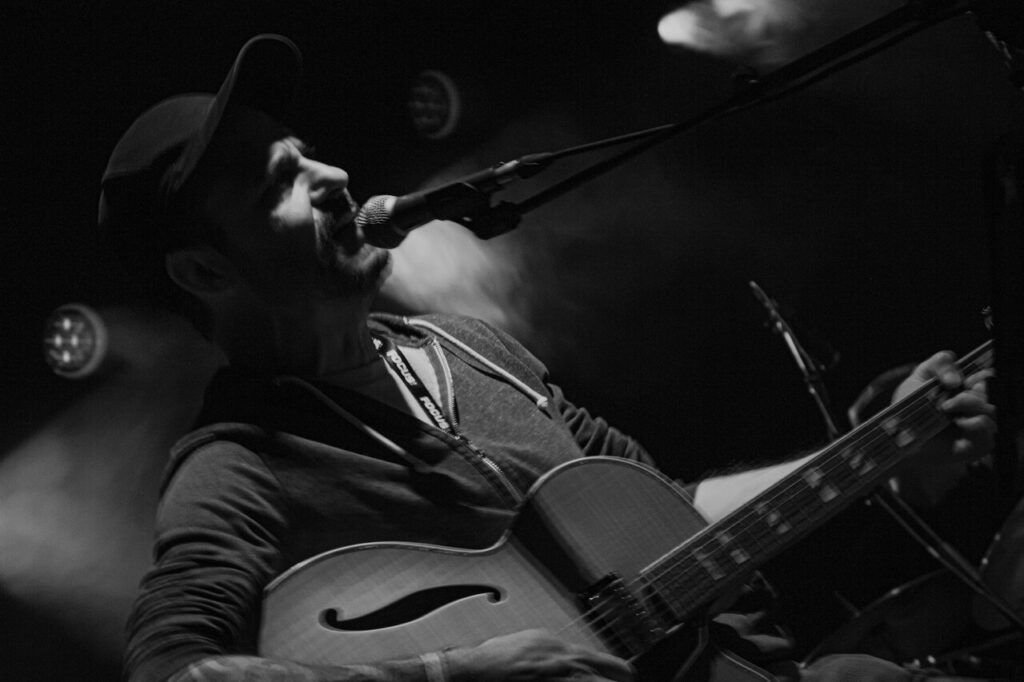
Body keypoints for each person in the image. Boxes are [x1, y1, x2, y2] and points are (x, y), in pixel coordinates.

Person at [105, 35, 996, 682]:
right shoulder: (237, 465)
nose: (332, 177)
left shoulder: (471, 347)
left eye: (306, 155)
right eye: (279, 182)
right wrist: (456, 675)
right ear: (205, 271)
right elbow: (174, 673)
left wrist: (877, 452)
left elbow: (670, 514)